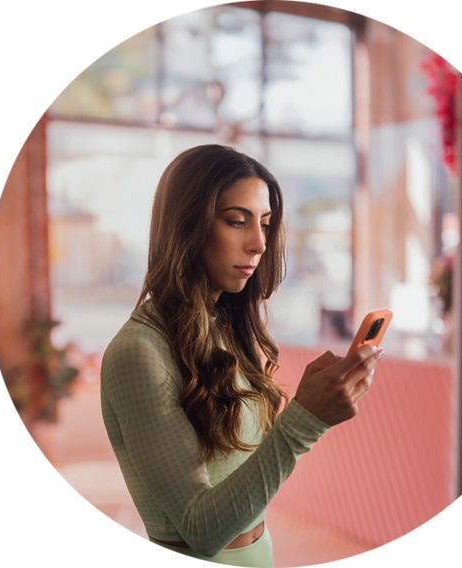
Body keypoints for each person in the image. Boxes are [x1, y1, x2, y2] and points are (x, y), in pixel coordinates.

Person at [100, 144, 383, 567]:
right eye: (236, 221)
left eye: (265, 224)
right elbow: (203, 530)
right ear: (186, 225)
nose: (258, 244)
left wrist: (315, 400)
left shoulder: (222, 328)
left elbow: (240, 475)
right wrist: (305, 419)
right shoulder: (138, 353)